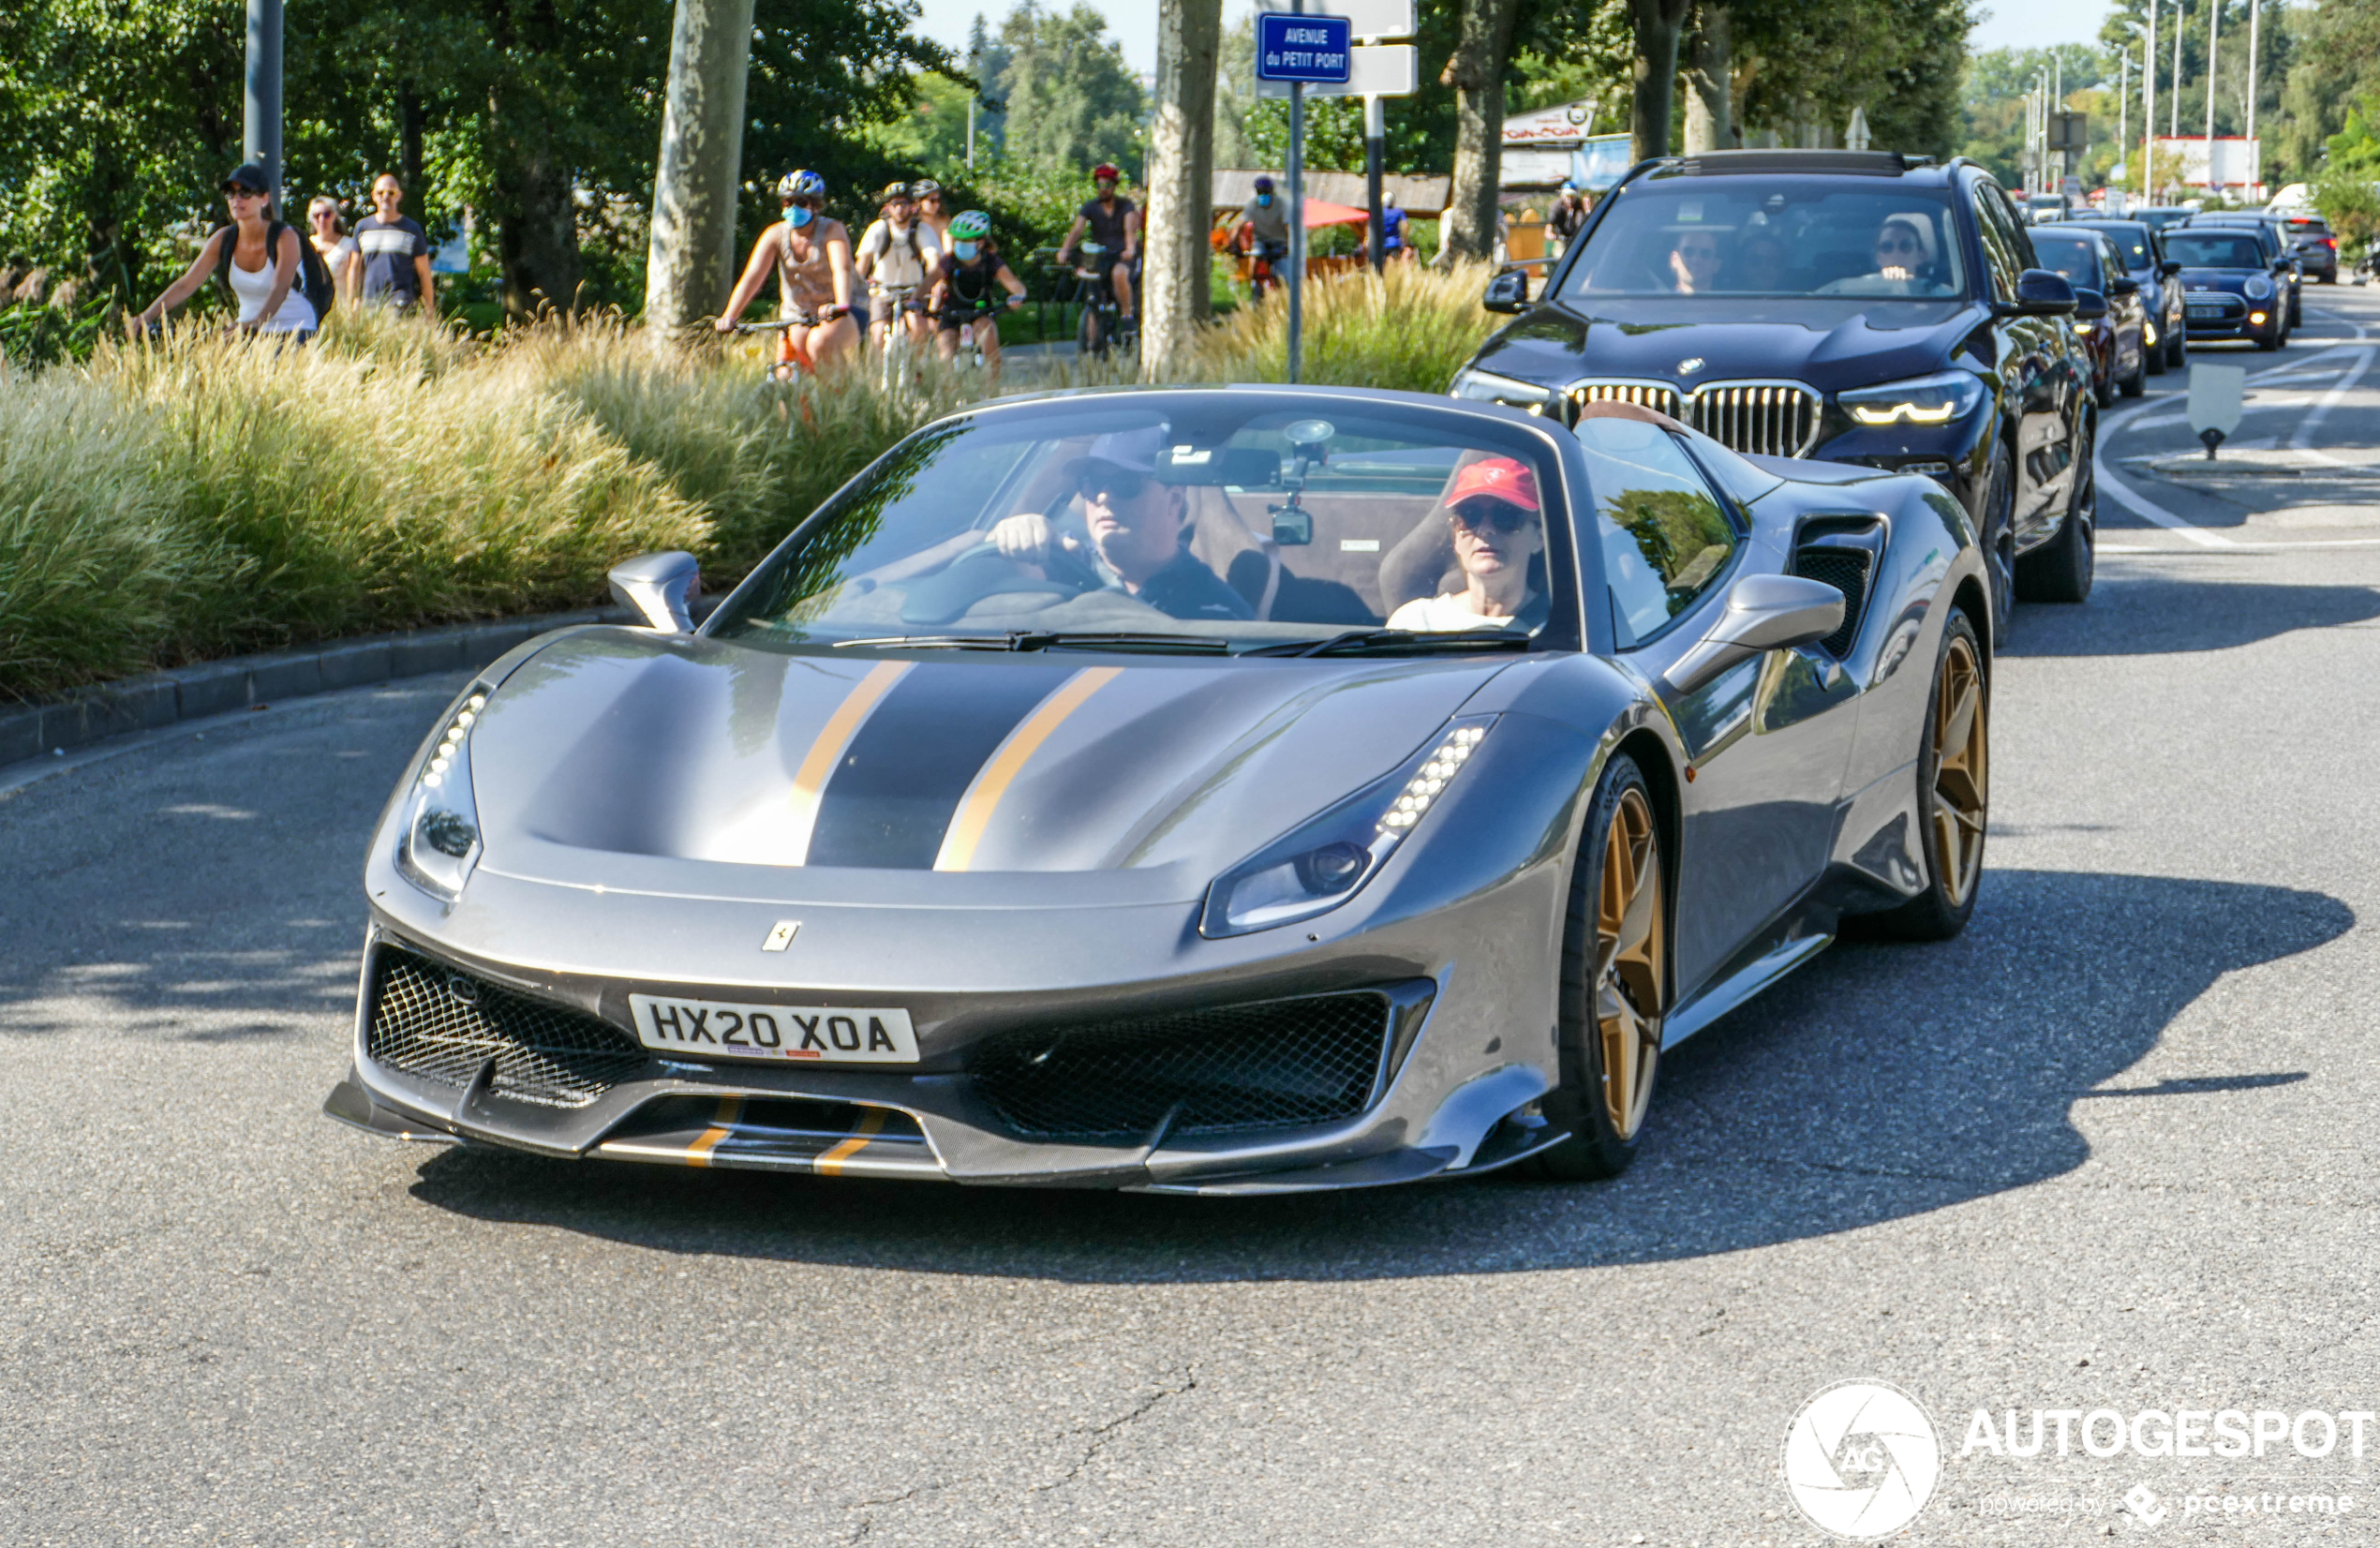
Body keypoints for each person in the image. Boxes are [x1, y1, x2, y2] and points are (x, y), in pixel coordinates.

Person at [988, 428, 1251, 621]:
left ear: (1174, 499)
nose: (1103, 496)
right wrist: (1012, 537)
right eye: (1090, 484)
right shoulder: (1057, 561)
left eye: (1126, 484)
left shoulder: (1219, 611)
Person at [127, 163, 319, 342]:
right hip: (245, 332)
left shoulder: (285, 237)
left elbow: (280, 288)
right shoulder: (223, 239)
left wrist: (256, 322)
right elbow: (186, 285)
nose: (237, 199)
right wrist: (146, 316)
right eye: (231, 193)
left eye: (245, 192)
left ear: (264, 199)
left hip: (295, 330)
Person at [717, 169, 859, 373]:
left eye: (801, 202)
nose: (793, 207)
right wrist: (730, 316)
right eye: (787, 202)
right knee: (785, 373)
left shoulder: (832, 230)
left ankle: (845, 400)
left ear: (815, 205)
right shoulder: (775, 234)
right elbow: (752, 277)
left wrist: (841, 304)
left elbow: (841, 269)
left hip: (834, 313)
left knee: (819, 343)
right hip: (796, 315)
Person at [1386, 456, 1546, 632]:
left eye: (1505, 516)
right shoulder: (1415, 623)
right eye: (1470, 516)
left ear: (1539, 539)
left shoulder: (1558, 631)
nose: (1485, 530)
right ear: (1456, 538)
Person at [928, 210, 1026, 377]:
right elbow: (931, 284)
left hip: (981, 312)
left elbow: (1015, 285)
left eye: (965, 240)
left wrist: (1017, 297)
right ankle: (948, 396)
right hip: (952, 314)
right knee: (945, 352)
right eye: (957, 240)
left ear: (980, 242)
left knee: (988, 337)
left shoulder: (991, 261)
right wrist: (926, 302)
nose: (960, 244)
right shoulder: (949, 261)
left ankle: (991, 394)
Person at [855, 181, 942, 352]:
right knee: (878, 334)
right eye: (895, 204)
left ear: (912, 206)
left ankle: (917, 372)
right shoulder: (878, 229)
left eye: (904, 203)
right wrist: (856, 289)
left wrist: (931, 286)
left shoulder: (922, 230)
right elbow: (862, 264)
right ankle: (878, 378)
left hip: (913, 292)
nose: (900, 208)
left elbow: (933, 261)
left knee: (919, 328)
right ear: (888, 206)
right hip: (882, 291)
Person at [1056, 163, 1138, 333]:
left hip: (1121, 255)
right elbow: (1077, 229)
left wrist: (1129, 249)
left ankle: (1127, 315)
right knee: (1093, 295)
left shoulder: (1126, 205)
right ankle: (1092, 343)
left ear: (1114, 186)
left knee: (1119, 274)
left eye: (1107, 185)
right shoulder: (1090, 207)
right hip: (1101, 256)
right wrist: (1064, 250)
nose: (1103, 189)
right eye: (1099, 185)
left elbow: (1129, 230)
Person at [349, 171, 436, 314]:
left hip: (399, 302)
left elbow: (424, 272)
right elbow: (354, 268)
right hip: (369, 303)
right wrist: (353, 301)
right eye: (380, 192)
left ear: (399, 196)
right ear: (373, 196)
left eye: (391, 192)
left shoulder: (412, 229)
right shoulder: (362, 227)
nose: (385, 197)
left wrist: (429, 310)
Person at [1817, 216, 1953, 296]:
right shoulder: (1850, 289)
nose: (1896, 253)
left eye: (1905, 246)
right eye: (1887, 247)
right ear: (1878, 257)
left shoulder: (1942, 295)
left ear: (1921, 255)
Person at [1227, 176, 1291, 295]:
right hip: (1260, 241)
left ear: (1271, 192)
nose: (1263, 195)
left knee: (1281, 274)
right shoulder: (1252, 205)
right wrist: (1232, 243)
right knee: (1255, 256)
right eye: (1260, 192)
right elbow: (1239, 226)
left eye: (1266, 192)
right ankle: (1254, 285)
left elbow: (1286, 226)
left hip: (1278, 242)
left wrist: (1287, 245)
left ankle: (1280, 292)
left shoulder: (1280, 204)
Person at [306, 196, 358, 299]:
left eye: (326, 215)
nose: (321, 219)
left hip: (340, 307)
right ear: (311, 219)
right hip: (313, 307)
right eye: (317, 215)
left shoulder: (348, 245)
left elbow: (355, 280)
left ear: (334, 216)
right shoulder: (305, 244)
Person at [1664, 229, 1724, 293]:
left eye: (1705, 254)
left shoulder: (1729, 301)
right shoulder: (1659, 301)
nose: (1695, 260)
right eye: (1688, 252)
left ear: (1716, 265)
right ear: (1674, 259)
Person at [1547, 182, 1589, 256]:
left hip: (1576, 239)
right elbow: (1550, 224)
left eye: (1572, 196)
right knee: (1561, 255)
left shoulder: (1579, 206)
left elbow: (1582, 222)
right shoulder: (1557, 206)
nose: (1569, 199)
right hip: (1561, 238)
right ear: (1562, 196)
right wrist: (1550, 233)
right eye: (1567, 196)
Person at [911, 179, 951, 247]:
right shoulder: (912, 224)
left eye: (938, 200)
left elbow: (948, 250)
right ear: (918, 201)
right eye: (932, 201)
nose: (937, 204)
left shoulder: (944, 220)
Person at [1381, 193, 1413, 263]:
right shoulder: (1398, 211)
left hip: (1380, 243)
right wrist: (1405, 239)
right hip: (1394, 243)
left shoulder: (1379, 212)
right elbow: (1405, 225)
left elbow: (1370, 224)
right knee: (1393, 261)